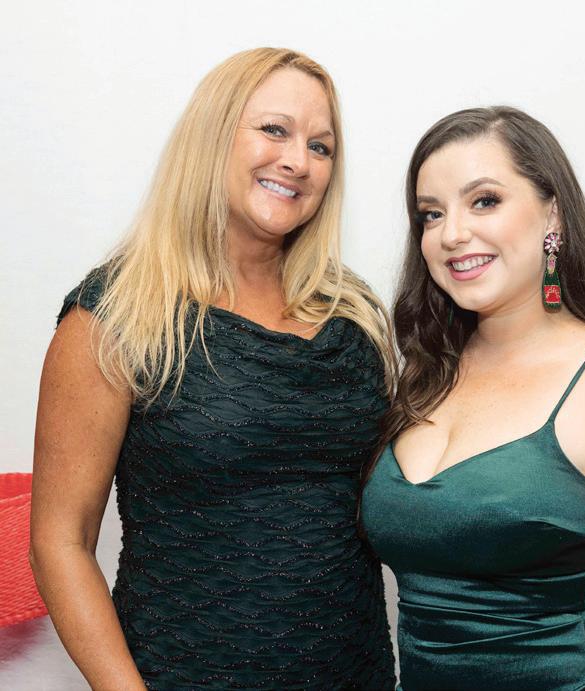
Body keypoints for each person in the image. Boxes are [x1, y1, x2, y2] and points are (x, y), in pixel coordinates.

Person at [30, 47, 396, 690]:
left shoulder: (353, 314)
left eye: (321, 146)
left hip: (357, 675)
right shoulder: (116, 314)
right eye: (275, 130)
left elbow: (391, 497)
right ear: (212, 135)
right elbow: (60, 542)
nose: (298, 161)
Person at [361, 106, 585, 691]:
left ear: (553, 214)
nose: (452, 233)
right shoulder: (423, 375)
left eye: (484, 201)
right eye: (431, 214)